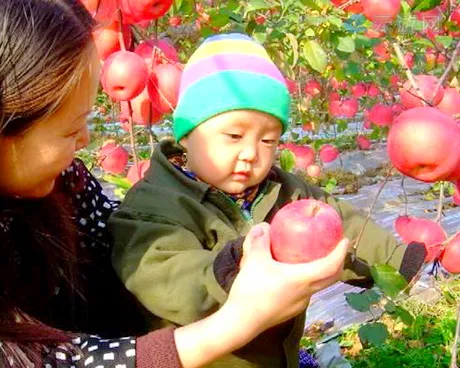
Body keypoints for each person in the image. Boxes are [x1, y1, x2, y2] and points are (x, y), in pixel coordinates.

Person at [0, 2, 350, 367]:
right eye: (70, 129)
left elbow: (124, 248)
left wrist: (228, 264)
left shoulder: (66, 182)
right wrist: (239, 321)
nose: (85, 140)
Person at [110, 33, 427, 367]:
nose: (250, 154)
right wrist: (228, 270)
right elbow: (164, 276)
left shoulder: (284, 191)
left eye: (267, 140)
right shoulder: (153, 207)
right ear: (186, 135)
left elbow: (341, 224)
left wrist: (394, 260)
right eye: (234, 136)